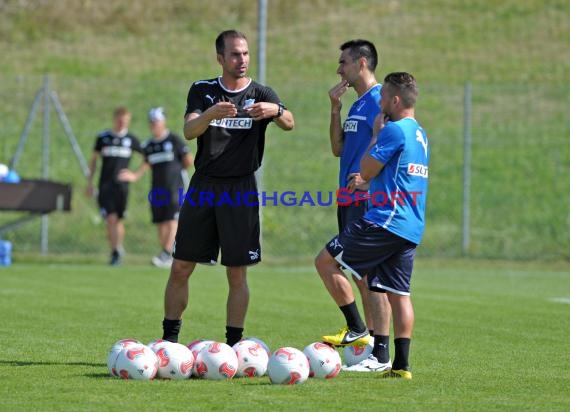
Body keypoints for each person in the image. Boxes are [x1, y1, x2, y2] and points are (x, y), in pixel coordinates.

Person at [161, 30, 294, 346]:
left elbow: (289, 122)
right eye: (235, 54)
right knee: (180, 267)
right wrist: (210, 114)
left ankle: (234, 345)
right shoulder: (203, 90)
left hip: (241, 189)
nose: (242, 60)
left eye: (246, 53)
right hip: (204, 187)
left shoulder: (261, 92)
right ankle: (169, 342)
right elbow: (189, 130)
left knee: (237, 272)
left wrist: (274, 111)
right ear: (220, 58)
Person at [317, 72, 429, 379]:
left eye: (383, 98)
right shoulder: (420, 133)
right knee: (397, 293)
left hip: (384, 222)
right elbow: (399, 179)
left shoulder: (394, 131)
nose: (379, 103)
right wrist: (370, 187)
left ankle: (356, 328)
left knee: (325, 261)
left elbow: (366, 168)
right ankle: (400, 365)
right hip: (409, 225)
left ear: (394, 100)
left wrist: (377, 135)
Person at [328, 39, 392, 369]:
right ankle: (369, 341)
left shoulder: (381, 101)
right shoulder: (356, 104)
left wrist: (369, 180)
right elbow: (338, 149)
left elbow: (388, 147)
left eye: (344, 62)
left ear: (362, 63)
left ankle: (380, 350)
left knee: (367, 274)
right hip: (346, 197)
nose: (339, 69)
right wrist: (335, 109)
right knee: (358, 273)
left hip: (366, 198)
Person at [118, 107, 193, 268]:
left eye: (156, 121)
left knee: (173, 220)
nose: (154, 125)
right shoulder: (149, 145)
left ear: (163, 122)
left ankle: (166, 253)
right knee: (160, 221)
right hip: (158, 190)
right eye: (151, 122)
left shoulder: (174, 140)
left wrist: (176, 173)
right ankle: (167, 254)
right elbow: (146, 164)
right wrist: (134, 175)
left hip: (175, 188)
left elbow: (188, 160)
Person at [86, 107, 142, 266]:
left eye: (125, 120)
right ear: (114, 119)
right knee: (110, 218)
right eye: (120, 119)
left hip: (122, 187)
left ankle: (117, 248)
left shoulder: (131, 139)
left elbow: (147, 158)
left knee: (118, 220)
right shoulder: (103, 138)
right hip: (105, 185)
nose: (122, 123)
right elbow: (93, 161)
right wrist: (89, 183)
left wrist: (135, 175)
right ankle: (115, 251)